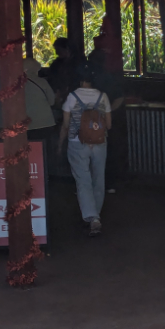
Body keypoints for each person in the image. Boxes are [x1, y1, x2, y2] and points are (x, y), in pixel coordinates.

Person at [59, 66, 112, 237]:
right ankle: (96, 214)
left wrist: (60, 143)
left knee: (83, 181)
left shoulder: (71, 97)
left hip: (77, 143)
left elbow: (66, 125)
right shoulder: (103, 97)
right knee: (98, 178)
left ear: (80, 81)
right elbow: (109, 125)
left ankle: (92, 217)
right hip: (100, 142)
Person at [87, 49, 126, 193]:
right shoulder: (105, 76)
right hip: (105, 118)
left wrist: (106, 113)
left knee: (101, 152)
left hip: (102, 119)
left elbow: (119, 98)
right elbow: (119, 98)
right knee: (106, 152)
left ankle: (106, 183)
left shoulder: (100, 78)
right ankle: (107, 184)